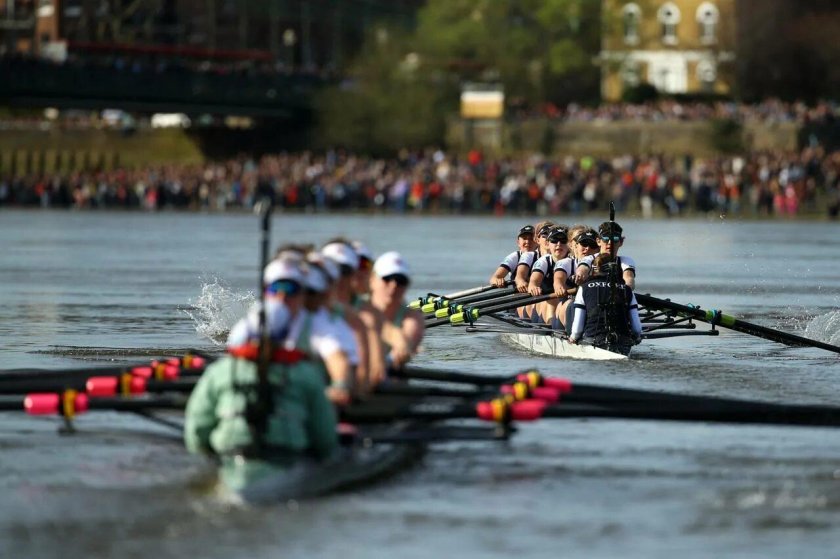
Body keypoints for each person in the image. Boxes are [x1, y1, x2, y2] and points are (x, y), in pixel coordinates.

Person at [184, 257, 339, 504]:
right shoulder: (306, 375)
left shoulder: (220, 370)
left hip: (231, 458)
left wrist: (210, 451)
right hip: (285, 460)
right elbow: (326, 441)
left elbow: (195, 434)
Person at [568, 253, 643, 356]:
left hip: (593, 341)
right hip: (622, 343)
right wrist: (637, 338)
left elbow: (577, 329)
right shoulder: (627, 290)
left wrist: (573, 338)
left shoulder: (584, 288)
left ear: (594, 269)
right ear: (615, 270)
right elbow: (637, 329)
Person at [369, 251, 424, 368]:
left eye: (400, 281)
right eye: (387, 278)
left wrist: (404, 346)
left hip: (390, 379)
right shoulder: (355, 309)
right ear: (372, 279)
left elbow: (409, 339)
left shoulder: (413, 318)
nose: (393, 285)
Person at [526, 226, 570, 325]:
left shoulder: (574, 261)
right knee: (552, 300)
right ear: (548, 243)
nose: (559, 244)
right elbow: (533, 282)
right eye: (554, 240)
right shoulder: (544, 261)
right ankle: (552, 329)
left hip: (566, 309)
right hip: (545, 309)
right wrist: (533, 287)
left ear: (569, 244)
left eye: (563, 241)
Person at [574, 221, 637, 290]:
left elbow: (629, 278)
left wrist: (628, 287)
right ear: (598, 241)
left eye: (615, 239)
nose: (610, 242)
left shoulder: (625, 261)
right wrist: (580, 274)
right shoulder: (589, 259)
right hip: (591, 296)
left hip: (618, 297)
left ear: (621, 242)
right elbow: (582, 268)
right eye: (606, 238)